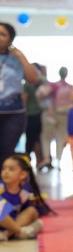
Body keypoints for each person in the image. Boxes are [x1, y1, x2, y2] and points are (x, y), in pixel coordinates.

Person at [0, 23, 38, 167]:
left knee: (6, 152)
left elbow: (33, 79)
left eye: (2, 34)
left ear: (10, 40)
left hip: (13, 113)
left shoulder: (15, 59)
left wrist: (21, 56)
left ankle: (5, 186)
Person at [0, 154, 46, 241]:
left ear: (22, 175)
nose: (6, 172)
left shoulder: (23, 192)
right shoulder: (1, 187)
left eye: (11, 169)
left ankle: (7, 234)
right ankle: (21, 232)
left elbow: (28, 211)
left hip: (12, 223)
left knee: (32, 211)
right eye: (4, 168)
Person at [38, 66, 73, 169]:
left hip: (52, 114)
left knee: (46, 137)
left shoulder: (54, 86)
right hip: (64, 115)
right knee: (61, 137)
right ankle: (58, 159)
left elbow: (44, 94)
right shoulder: (70, 87)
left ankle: (47, 158)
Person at [22, 63, 46, 165]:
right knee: (38, 138)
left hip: (30, 115)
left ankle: (27, 161)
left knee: (30, 139)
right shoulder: (43, 82)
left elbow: (25, 100)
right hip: (41, 114)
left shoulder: (27, 84)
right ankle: (39, 160)